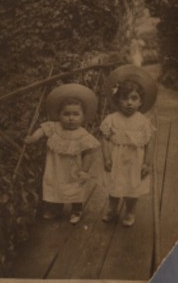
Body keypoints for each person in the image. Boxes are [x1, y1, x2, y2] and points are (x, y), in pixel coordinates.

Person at [25, 83, 100, 225]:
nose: (71, 118)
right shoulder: (55, 127)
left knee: (75, 188)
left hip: (73, 170)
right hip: (55, 167)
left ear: (83, 117)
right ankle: (56, 209)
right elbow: (42, 129)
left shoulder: (83, 135)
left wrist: (84, 170)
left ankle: (76, 210)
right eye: (66, 114)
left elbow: (89, 152)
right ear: (59, 115)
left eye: (76, 114)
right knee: (55, 186)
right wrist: (34, 138)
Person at [100, 65, 157, 227]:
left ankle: (130, 211)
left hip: (135, 160)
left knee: (132, 187)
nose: (129, 103)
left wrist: (147, 162)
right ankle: (112, 208)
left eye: (134, 98)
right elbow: (104, 137)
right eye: (125, 99)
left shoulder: (143, 122)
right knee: (115, 186)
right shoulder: (112, 119)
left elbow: (149, 142)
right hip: (117, 158)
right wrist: (106, 157)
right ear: (117, 101)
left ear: (140, 102)